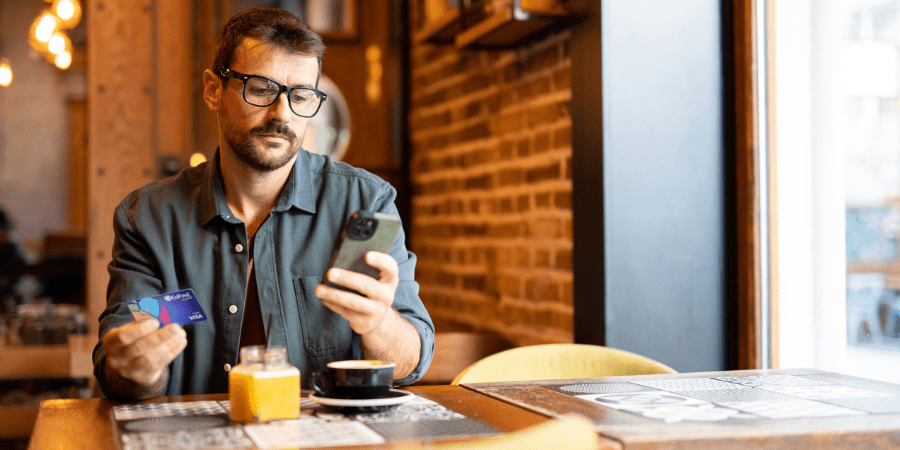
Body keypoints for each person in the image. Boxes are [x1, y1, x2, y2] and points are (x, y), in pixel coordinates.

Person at [92, 7, 434, 400]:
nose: (282, 114)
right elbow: (121, 366)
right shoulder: (149, 218)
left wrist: (378, 325)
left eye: (301, 96)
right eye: (260, 89)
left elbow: (411, 362)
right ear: (213, 90)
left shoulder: (364, 204)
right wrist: (137, 368)